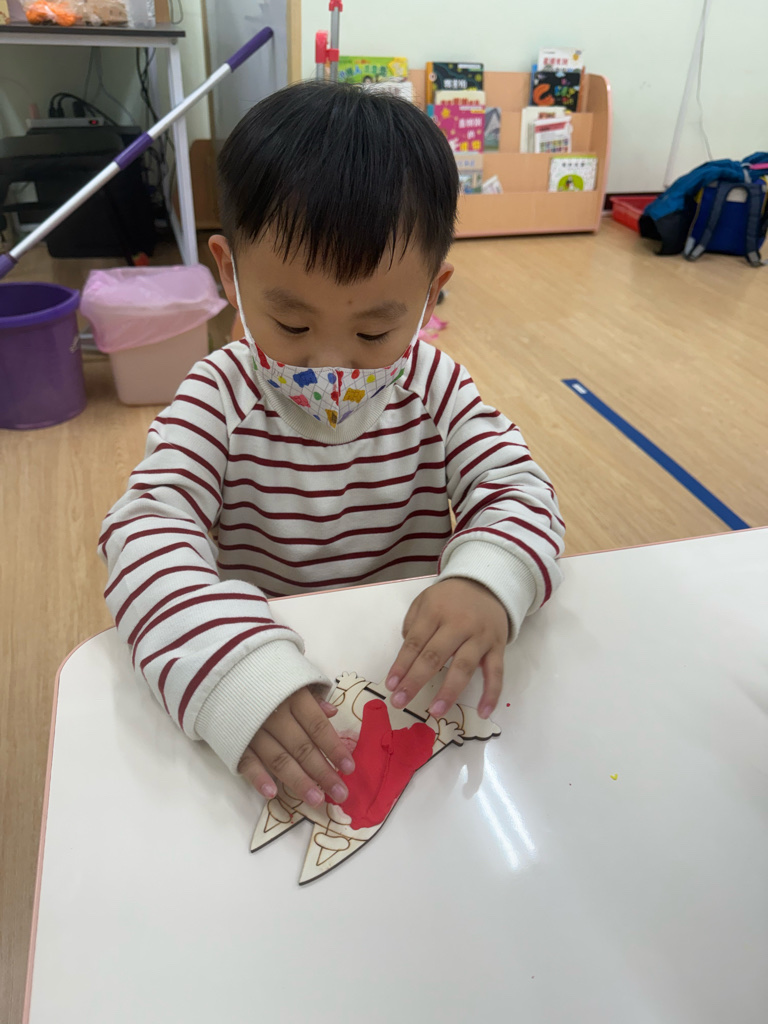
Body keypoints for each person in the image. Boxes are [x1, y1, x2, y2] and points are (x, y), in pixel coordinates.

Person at [99, 81, 565, 812]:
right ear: (230, 271)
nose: (331, 365)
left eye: (375, 332)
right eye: (291, 324)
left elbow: (519, 490)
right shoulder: (219, 394)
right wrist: (229, 670)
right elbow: (145, 531)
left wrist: (486, 581)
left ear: (431, 294)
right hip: (269, 676)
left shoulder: (435, 386)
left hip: (406, 683)